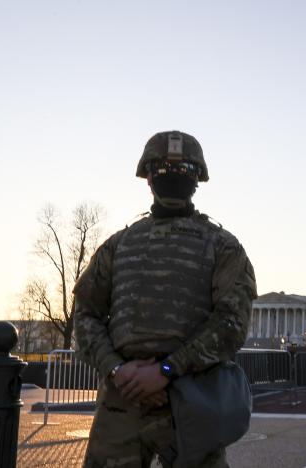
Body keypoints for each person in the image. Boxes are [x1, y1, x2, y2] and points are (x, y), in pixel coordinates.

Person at [73, 130, 257, 468]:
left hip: (186, 398)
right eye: (162, 168)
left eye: (183, 168)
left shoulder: (222, 246)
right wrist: (120, 369)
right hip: (136, 394)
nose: (172, 175)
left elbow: (231, 324)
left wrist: (163, 371)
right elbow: (84, 314)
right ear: (148, 176)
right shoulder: (119, 245)